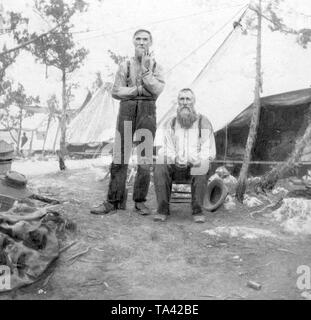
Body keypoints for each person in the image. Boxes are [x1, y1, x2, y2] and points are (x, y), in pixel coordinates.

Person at [91, 29, 165, 215]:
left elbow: (156, 89)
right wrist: (139, 91)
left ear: (151, 42)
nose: (141, 42)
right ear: (133, 42)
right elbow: (116, 91)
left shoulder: (157, 67)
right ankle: (113, 201)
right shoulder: (125, 65)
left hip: (147, 112)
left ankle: (140, 201)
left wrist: (146, 73)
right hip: (127, 110)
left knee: (145, 159)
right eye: (138, 39)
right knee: (120, 156)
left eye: (145, 39)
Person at [153, 88, 216, 223]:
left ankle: (197, 211)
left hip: (195, 167)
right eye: (182, 99)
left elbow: (208, 150)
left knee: (202, 165)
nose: (185, 102)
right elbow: (166, 148)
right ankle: (162, 209)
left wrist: (195, 160)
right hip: (176, 167)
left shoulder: (203, 122)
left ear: (194, 101)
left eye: (188, 99)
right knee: (160, 164)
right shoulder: (171, 123)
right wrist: (175, 158)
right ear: (178, 102)